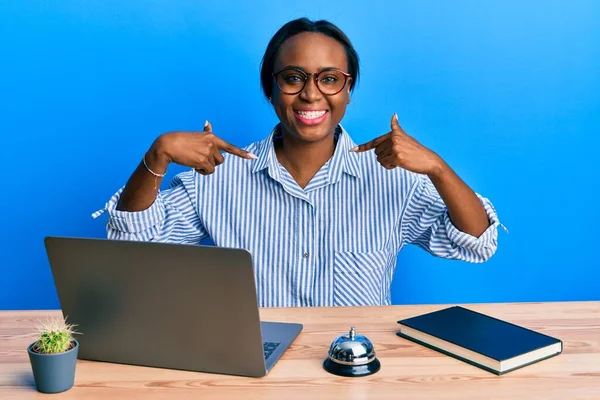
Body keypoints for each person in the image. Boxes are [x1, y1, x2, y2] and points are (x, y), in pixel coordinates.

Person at [93, 18, 501, 307]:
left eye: (328, 78)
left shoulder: (392, 178)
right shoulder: (218, 178)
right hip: (255, 372)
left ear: (347, 91)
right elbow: (133, 247)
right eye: (293, 77)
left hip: (357, 372)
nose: (310, 94)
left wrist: (438, 168)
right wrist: (156, 155)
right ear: (271, 90)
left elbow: (478, 242)